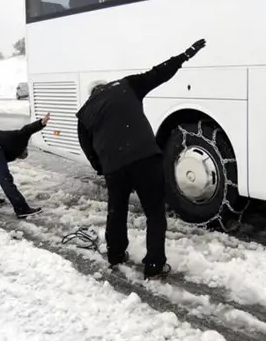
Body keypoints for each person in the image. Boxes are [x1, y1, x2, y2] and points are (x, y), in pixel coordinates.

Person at [76, 38, 207, 280]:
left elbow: (88, 147)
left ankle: (115, 254)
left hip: (115, 168)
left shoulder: (85, 112)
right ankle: (154, 265)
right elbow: (159, 73)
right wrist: (185, 55)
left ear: (92, 94)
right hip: (145, 158)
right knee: (154, 213)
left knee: (116, 211)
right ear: (106, 86)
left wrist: (102, 167)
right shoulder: (126, 86)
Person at [0, 113, 50, 218]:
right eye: (22, 155)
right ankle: (22, 209)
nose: (20, 156)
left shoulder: (7, 148)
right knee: (5, 179)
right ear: (23, 150)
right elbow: (27, 130)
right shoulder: (20, 139)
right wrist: (41, 123)